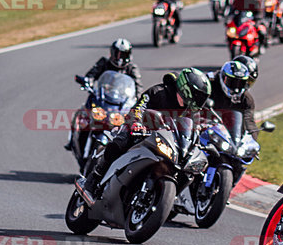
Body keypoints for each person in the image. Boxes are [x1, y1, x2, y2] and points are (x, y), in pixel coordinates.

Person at [78, 67, 211, 195]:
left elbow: (194, 129)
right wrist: (136, 123)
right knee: (120, 142)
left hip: (168, 142)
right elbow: (138, 108)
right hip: (143, 131)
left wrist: (200, 142)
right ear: (186, 89)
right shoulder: (158, 92)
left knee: (190, 167)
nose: (200, 101)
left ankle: (170, 197)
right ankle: (94, 178)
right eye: (198, 96)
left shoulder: (192, 111)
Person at [66, 39, 141, 151]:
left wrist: (138, 99)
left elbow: (138, 87)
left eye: (123, 54)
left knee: (129, 129)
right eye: (117, 54)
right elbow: (91, 74)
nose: (120, 58)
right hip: (101, 99)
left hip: (119, 104)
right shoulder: (104, 62)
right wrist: (88, 82)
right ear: (112, 52)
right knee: (82, 115)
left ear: (129, 54)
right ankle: (72, 140)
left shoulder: (132, 69)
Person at [207, 56, 259, 136]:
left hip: (227, 138)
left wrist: (250, 141)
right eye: (233, 82)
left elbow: (249, 123)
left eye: (241, 82)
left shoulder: (247, 99)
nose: (236, 88)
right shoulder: (208, 85)